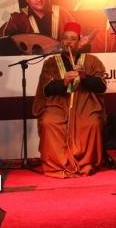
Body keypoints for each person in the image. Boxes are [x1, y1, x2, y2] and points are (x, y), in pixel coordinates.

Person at [32, 22, 107, 178]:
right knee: (48, 122)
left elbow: (101, 87)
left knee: (92, 123)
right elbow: (46, 89)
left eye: (73, 39)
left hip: (85, 103)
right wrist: (63, 82)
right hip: (57, 104)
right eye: (65, 38)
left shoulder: (92, 61)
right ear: (61, 41)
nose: (69, 42)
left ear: (79, 42)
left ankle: (85, 163)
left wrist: (85, 77)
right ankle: (58, 164)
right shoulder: (51, 62)